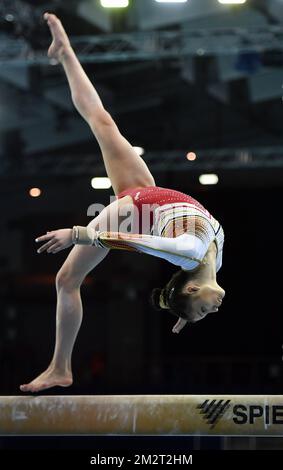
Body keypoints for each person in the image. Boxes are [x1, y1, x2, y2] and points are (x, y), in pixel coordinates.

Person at [20, 13, 225, 393]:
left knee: (67, 280)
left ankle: (60, 368)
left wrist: (79, 233)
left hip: (135, 212)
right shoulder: (212, 262)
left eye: (202, 309)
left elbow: (133, 241)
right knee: (103, 122)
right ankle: (64, 53)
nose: (212, 310)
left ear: (193, 289)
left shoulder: (188, 252)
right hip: (150, 196)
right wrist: (183, 313)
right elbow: (190, 294)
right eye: (204, 314)